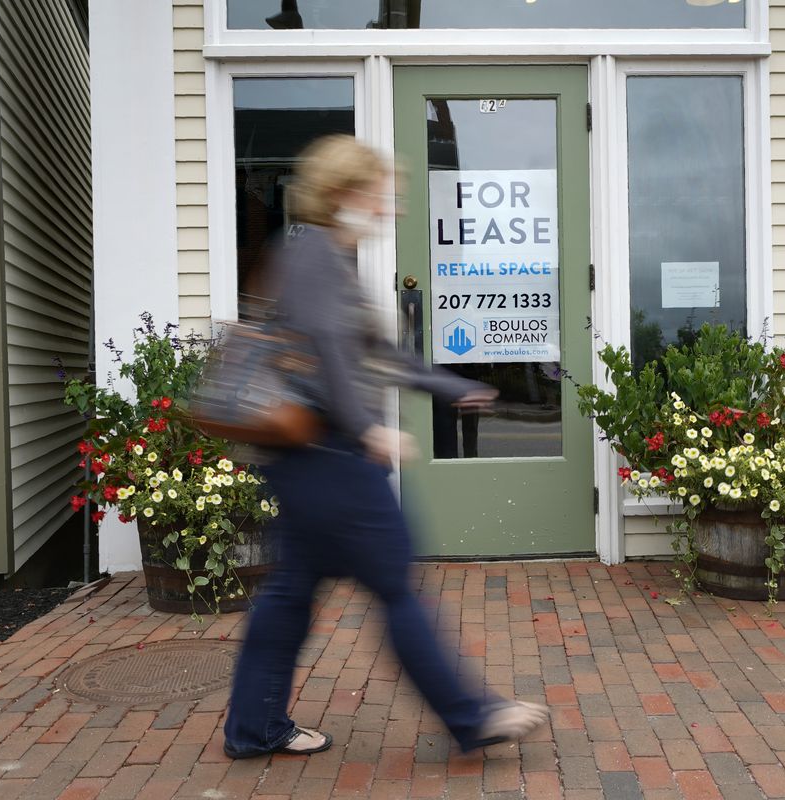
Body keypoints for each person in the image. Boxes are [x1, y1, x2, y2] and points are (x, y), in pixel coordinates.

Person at [222, 135, 549, 757]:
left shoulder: (328, 256)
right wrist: (367, 427)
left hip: (307, 463)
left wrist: (449, 385)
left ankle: (254, 725)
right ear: (346, 193)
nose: (390, 205)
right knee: (395, 580)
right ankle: (470, 715)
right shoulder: (317, 255)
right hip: (331, 458)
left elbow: (377, 349)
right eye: (380, 192)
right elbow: (330, 352)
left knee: (291, 591)